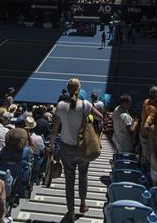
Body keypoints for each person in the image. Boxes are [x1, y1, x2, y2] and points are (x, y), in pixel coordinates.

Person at [49, 78, 103, 219]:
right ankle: (83, 204)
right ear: (79, 90)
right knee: (83, 176)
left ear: (68, 89)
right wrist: (88, 118)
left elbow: (54, 130)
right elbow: (100, 117)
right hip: (83, 148)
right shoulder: (86, 104)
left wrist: (50, 146)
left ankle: (71, 212)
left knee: (69, 181)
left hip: (66, 149)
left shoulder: (60, 105)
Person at [139, 86, 157, 165]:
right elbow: (146, 125)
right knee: (149, 159)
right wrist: (152, 135)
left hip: (141, 133)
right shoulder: (153, 109)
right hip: (146, 137)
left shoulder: (146, 101)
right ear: (155, 96)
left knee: (144, 155)